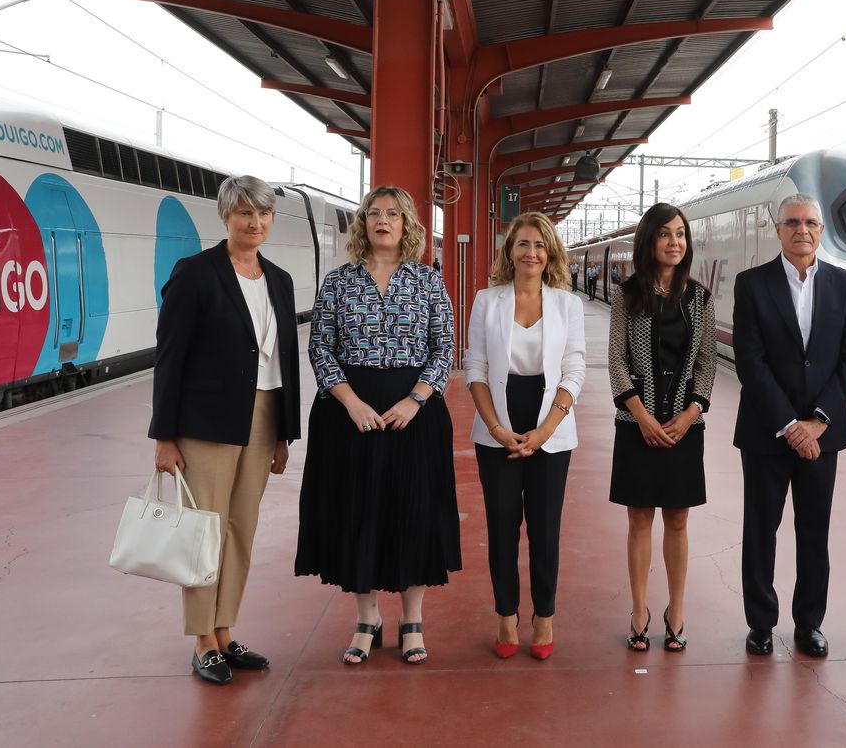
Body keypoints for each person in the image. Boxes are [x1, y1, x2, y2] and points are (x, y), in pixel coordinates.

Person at [295, 185, 460, 667]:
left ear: (407, 224)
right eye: (373, 214)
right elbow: (320, 347)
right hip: (350, 415)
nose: (382, 220)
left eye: (393, 214)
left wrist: (415, 400)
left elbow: (444, 346)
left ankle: (412, 620)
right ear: (362, 224)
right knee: (357, 511)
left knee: (414, 511)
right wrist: (349, 403)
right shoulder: (338, 282)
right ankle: (367, 619)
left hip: (415, 414)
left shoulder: (429, 282)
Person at [150, 175, 301, 686]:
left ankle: (225, 630)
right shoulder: (195, 274)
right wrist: (164, 436)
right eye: (244, 213)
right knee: (202, 530)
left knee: (241, 529)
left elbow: (285, 359)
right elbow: (169, 358)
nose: (254, 223)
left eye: (263, 214)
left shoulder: (279, 279)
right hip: (205, 421)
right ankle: (202, 640)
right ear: (226, 217)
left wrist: (284, 432)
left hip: (262, 416)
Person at [731, 194, 846, 658]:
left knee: (814, 531)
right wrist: (790, 424)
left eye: (810, 223)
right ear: (778, 230)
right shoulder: (751, 284)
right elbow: (751, 361)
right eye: (792, 222)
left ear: (821, 231)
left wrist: (818, 422)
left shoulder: (844, 285)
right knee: (760, 530)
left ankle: (809, 623)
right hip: (768, 433)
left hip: (822, 436)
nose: (801, 230)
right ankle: (761, 624)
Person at [466, 213, 586, 661]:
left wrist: (546, 430)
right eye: (522, 244)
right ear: (509, 252)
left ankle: (545, 616)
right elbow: (475, 367)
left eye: (539, 244)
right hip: (497, 418)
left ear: (550, 252)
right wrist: (497, 428)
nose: (531, 252)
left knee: (545, 527)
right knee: (501, 525)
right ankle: (505, 614)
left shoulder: (567, 305)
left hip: (550, 424)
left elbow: (573, 370)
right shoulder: (487, 300)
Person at [608, 203, 715, 653]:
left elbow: (707, 361)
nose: (675, 242)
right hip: (638, 425)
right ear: (649, 241)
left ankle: (676, 610)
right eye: (665, 234)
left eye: (681, 235)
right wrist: (643, 416)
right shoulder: (626, 295)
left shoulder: (701, 298)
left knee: (678, 519)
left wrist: (690, 414)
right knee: (638, 520)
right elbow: (616, 360)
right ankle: (638, 610)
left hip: (684, 427)